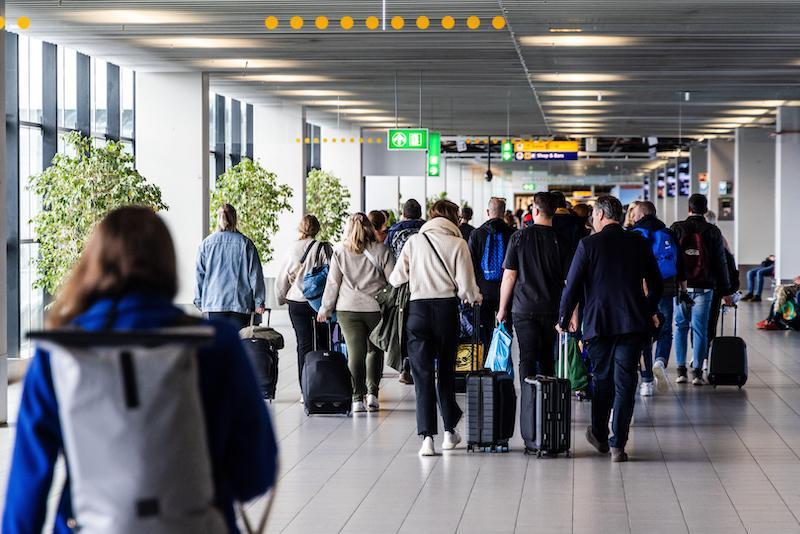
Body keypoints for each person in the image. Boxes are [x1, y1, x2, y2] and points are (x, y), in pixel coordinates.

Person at [3, 206, 277, 533]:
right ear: (167, 264)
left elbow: (27, 488)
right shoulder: (216, 346)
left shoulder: (61, 353)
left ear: (94, 263)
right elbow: (256, 472)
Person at [558, 195, 663, 462]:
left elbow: (572, 287)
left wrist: (563, 318)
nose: (592, 218)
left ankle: (600, 436)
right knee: (625, 383)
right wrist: (649, 309)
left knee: (601, 380)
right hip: (632, 323)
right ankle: (619, 443)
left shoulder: (588, 244)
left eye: (594, 213)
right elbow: (656, 282)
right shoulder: (638, 242)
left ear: (603, 215)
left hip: (599, 324)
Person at [389, 199, 482, 457]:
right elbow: (466, 288)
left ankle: (427, 439)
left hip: (417, 312)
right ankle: (450, 433)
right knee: (446, 372)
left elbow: (396, 278)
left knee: (422, 376)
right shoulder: (459, 243)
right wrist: (475, 296)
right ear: (453, 219)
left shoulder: (414, 242)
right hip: (446, 312)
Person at [318, 213, 396, 414]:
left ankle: (356, 398)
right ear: (370, 227)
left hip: (348, 309)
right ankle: (372, 395)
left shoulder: (340, 252)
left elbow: (333, 283)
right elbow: (393, 281)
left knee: (355, 353)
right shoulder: (382, 250)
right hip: (375, 309)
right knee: (374, 351)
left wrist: (325, 309)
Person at [497, 192, 566, 382]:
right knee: (547, 359)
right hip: (552, 308)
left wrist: (502, 309)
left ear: (535, 210)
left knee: (526, 358)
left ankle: (529, 406)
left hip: (523, 308)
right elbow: (569, 281)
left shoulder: (518, 237)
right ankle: (546, 406)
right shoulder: (562, 241)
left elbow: (509, 276)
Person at [670, 194, 731, 386]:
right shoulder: (713, 231)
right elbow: (721, 262)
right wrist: (726, 289)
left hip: (682, 287)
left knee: (680, 327)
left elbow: (671, 258)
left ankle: (680, 371)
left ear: (689, 208)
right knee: (700, 329)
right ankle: (697, 372)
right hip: (705, 287)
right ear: (705, 210)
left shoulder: (676, 228)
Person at [630, 201, 681, 396]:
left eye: (634, 213)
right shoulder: (667, 232)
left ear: (642, 213)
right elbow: (678, 261)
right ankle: (660, 360)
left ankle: (645, 377)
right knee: (665, 328)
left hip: (641, 288)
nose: (633, 217)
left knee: (643, 331)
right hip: (665, 285)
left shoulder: (634, 234)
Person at [275, 214, 330, 389]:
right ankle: (323, 383)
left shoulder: (292, 248)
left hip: (296, 301)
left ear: (300, 229)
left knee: (303, 344)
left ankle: (305, 388)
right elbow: (332, 276)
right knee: (323, 341)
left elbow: (282, 277)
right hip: (318, 302)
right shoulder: (323, 247)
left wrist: (282, 298)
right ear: (317, 229)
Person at [194, 204, 265, 330]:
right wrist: (259, 302)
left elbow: (199, 275)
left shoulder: (206, 244)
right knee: (239, 345)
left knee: (218, 346)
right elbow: (255, 275)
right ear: (235, 219)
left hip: (214, 303)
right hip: (240, 304)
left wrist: (199, 301)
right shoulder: (245, 244)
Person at [384, 199, 426, 384]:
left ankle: (403, 367)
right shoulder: (426, 230)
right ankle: (418, 365)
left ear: (403, 213)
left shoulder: (393, 231)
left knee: (402, 326)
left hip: (400, 284)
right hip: (423, 284)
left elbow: (387, 256)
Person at [468, 197, 516, 348]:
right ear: (503, 213)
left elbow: (471, 265)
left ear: (487, 212)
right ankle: (503, 361)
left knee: (485, 329)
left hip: (483, 291)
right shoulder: (513, 234)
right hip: (508, 292)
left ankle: (487, 361)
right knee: (506, 327)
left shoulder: (476, 234)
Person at [551, 190, 589, 267]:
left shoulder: (547, 222)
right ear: (565, 204)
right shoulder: (577, 221)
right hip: (572, 267)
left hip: (552, 268)